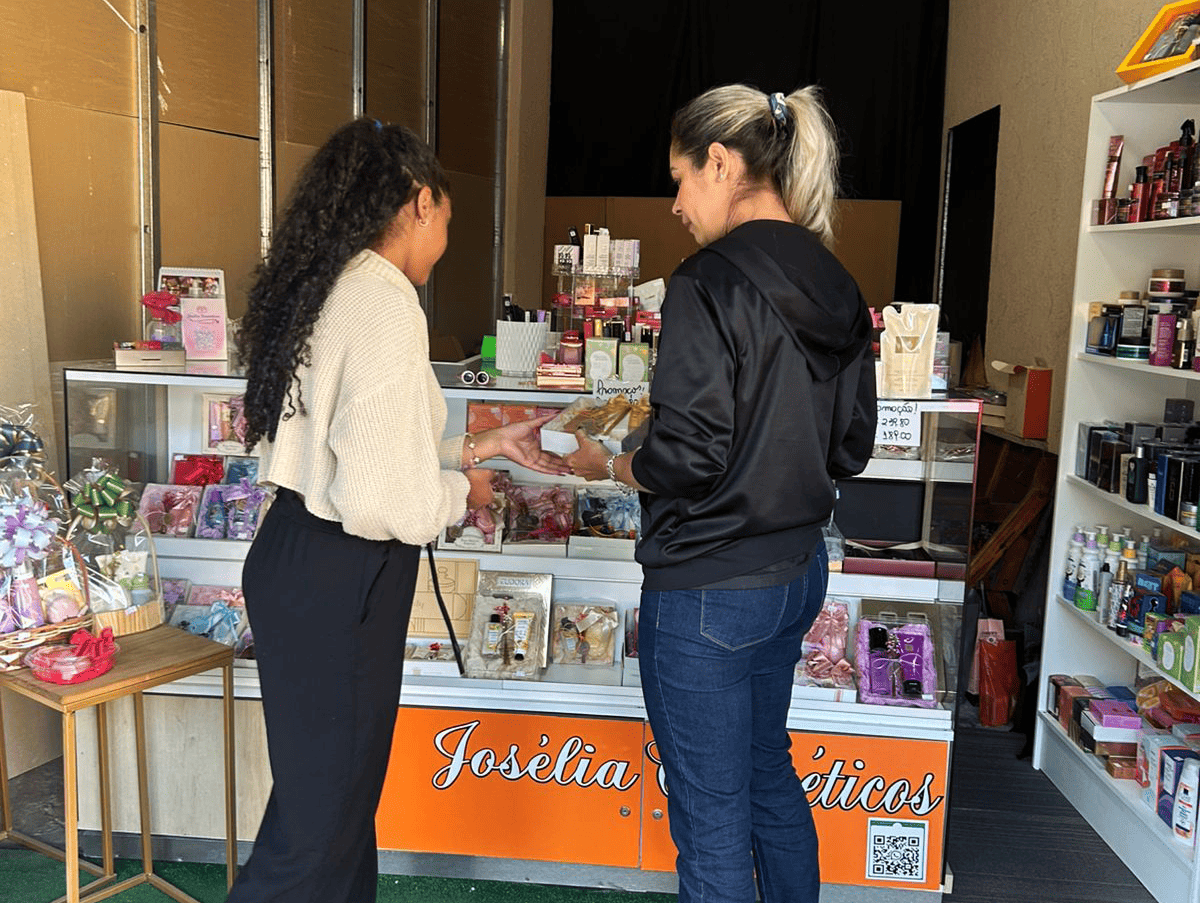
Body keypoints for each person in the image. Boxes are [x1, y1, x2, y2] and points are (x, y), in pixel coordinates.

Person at [229, 118, 566, 903]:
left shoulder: (330, 284)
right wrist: (460, 493)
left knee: (332, 809)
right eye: (447, 216)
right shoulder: (384, 302)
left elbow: (358, 451)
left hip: (299, 558)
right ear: (419, 203)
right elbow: (384, 497)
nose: (444, 238)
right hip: (341, 576)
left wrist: (478, 447)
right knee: (319, 829)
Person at [565, 85, 876, 903]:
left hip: (707, 591)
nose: (675, 204)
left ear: (721, 162)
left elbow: (687, 457)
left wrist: (613, 466)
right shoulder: (839, 282)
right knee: (768, 774)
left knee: (710, 824)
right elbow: (853, 447)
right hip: (795, 576)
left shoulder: (706, 282)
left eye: (679, 179)